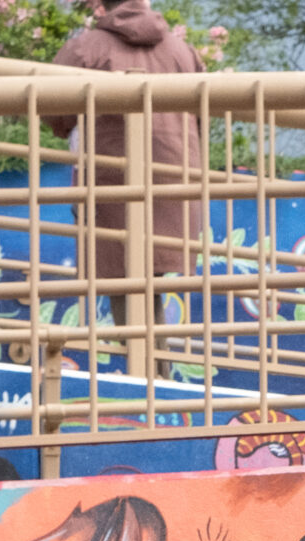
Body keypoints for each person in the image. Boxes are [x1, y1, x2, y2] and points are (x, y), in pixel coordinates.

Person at [52, 0, 205, 335]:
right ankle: (154, 371)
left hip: (112, 179)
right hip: (175, 178)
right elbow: (201, 115)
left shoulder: (85, 48)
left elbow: (53, 109)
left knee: (121, 278)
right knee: (148, 280)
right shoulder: (182, 51)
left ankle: (147, 374)